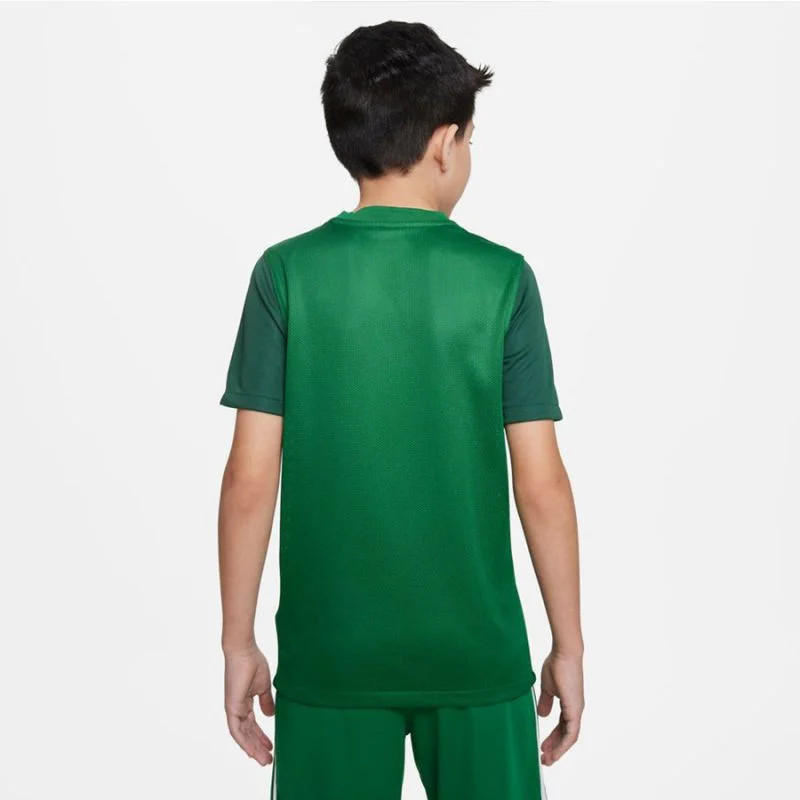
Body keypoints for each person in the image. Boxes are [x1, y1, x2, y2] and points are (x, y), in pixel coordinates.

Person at [217, 20, 584, 800]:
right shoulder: (503, 280)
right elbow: (542, 484)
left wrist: (237, 641)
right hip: (477, 655)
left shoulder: (285, 275)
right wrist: (569, 644)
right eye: (472, 138)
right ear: (447, 142)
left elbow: (249, 479)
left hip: (330, 657)